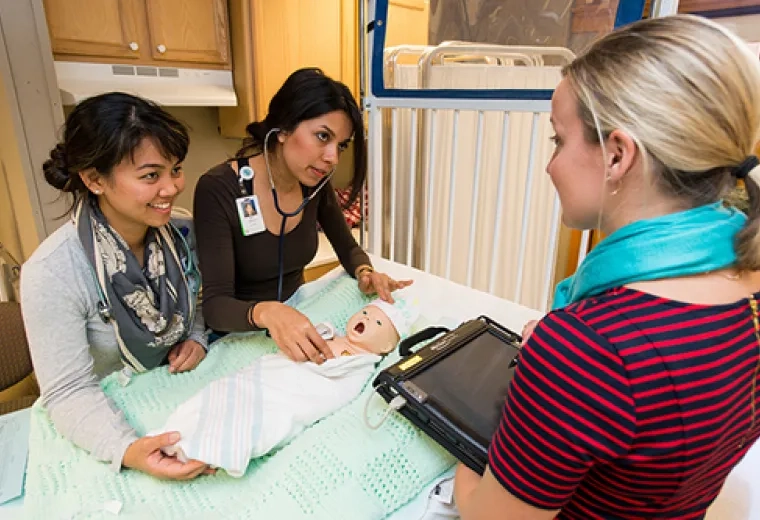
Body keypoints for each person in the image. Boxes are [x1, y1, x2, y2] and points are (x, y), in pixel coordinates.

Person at [454, 14, 760, 520]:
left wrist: (479, 432)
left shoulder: (590, 349)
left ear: (618, 155)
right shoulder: (747, 283)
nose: (551, 165)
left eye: (558, 139)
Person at [20, 92, 212, 480]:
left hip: (177, 398)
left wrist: (195, 335)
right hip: (102, 428)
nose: (172, 188)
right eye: (150, 176)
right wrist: (127, 450)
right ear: (94, 180)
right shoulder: (53, 271)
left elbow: (197, 298)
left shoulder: (179, 230)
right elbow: (67, 391)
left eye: (175, 169)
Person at [193, 67, 411, 364]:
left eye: (341, 145)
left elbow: (347, 248)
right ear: (283, 128)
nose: (332, 157)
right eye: (323, 136)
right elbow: (216, 306)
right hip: (238, 334)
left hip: (299, 317)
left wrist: (365, 273)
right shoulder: (217, 189)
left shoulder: (315, 184)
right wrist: (269, 312)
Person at [151, 298, 418, 477]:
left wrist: (328, 367)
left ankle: (211, 450)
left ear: (386, 348)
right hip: (267, 378)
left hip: (292, 394)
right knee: (224, 391)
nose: (368, 319)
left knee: (265, 418)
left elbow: (336, 393)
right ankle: (177, 432)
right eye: (366, 313)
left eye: (378, 324)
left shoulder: (361, 365)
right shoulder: (328, 334)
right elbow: (293, 344)